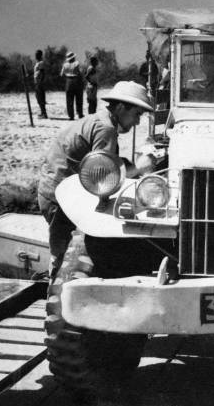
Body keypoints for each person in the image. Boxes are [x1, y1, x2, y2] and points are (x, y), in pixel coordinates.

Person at [37, 81, 154, 279]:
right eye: (136, 114)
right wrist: (140, 167)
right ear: (119, 107)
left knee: (62, 254)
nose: (137, 122)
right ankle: (57, 298)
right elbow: (103, 177)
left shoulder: (99, 120)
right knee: (64, 259)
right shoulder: (106, 129)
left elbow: (106, 163)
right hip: (61, 199)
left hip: (55, 191)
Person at [61, 51, 84, 120]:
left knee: (69, 99)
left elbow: (61, 74)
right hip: (76, 80)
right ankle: (80, 113)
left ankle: (71, 115)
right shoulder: (77, 63)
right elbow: (80, 72)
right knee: (79, 98)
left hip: (68, 81)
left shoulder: (65, 65)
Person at [33, 49, 48, 118]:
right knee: (38, 97)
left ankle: (44, 113)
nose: (36, 56)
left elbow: (42, 73)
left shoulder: (41, 63)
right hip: (37, 82)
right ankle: (42, 112)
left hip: (39, 83)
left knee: (41, 98)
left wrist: (40, 81)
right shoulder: (37, 63)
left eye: (37, 54)